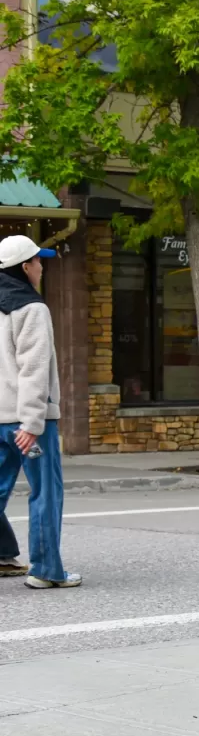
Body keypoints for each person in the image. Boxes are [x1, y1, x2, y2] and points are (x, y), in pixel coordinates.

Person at [0, 235, 76, 587]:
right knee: (46, 492)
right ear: (24, 267)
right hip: (27, 422)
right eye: (37, 261)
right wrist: (32, 422)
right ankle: (45, 571)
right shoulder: (32, 308)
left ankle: (3, 553)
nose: (41, 267)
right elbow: (33, 370)